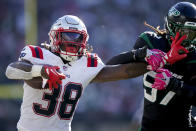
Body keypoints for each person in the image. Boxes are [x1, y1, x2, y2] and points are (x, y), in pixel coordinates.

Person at [5, 15, 156, 131]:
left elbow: (125, 71)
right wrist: (41, 70)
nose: (73, 42)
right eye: (68, 36)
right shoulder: (37, 54)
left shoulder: (86, 63)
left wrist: (158, 63)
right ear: (54, 36)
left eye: (78, 37)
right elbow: (11, 70)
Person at [106, 2, 196, 131]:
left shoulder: (193, 56)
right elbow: (110, 67)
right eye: (185, 32)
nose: (189, 39)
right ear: (171, 27)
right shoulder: (151, 42)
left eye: (193, 34)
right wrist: (140, 54)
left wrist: (175, 84)